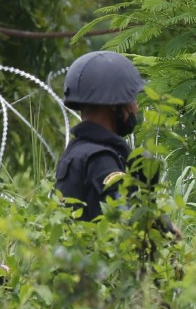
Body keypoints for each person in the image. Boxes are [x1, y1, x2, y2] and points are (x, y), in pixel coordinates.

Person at [55, 50, 156, 221]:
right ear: (114, 105)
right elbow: (123, 230)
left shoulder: (75, 152)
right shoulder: (102, 160)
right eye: (132, 99)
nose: (136, 108)